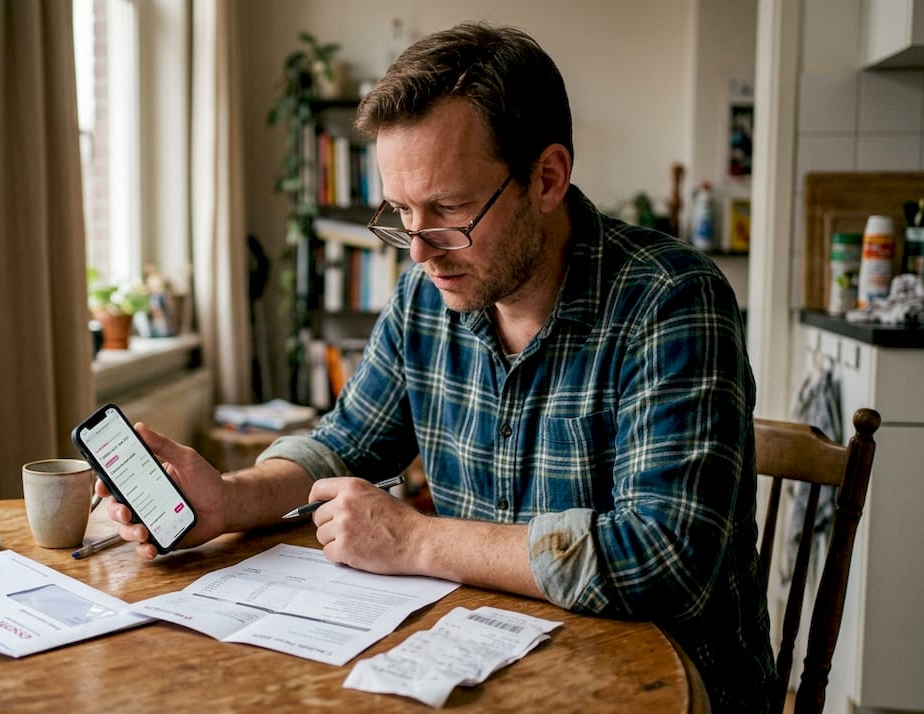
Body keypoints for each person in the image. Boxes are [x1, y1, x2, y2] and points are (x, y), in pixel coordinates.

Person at [101, 21, 777, 710]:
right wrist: (230, 499)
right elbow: (346, 446)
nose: (419, 252)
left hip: (670, 692)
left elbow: (664, 560)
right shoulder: (427, 298)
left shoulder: (671, 300)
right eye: (400, 212)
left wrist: (418, 540)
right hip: (493, 672)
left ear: (546, 178)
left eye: (448, 210)